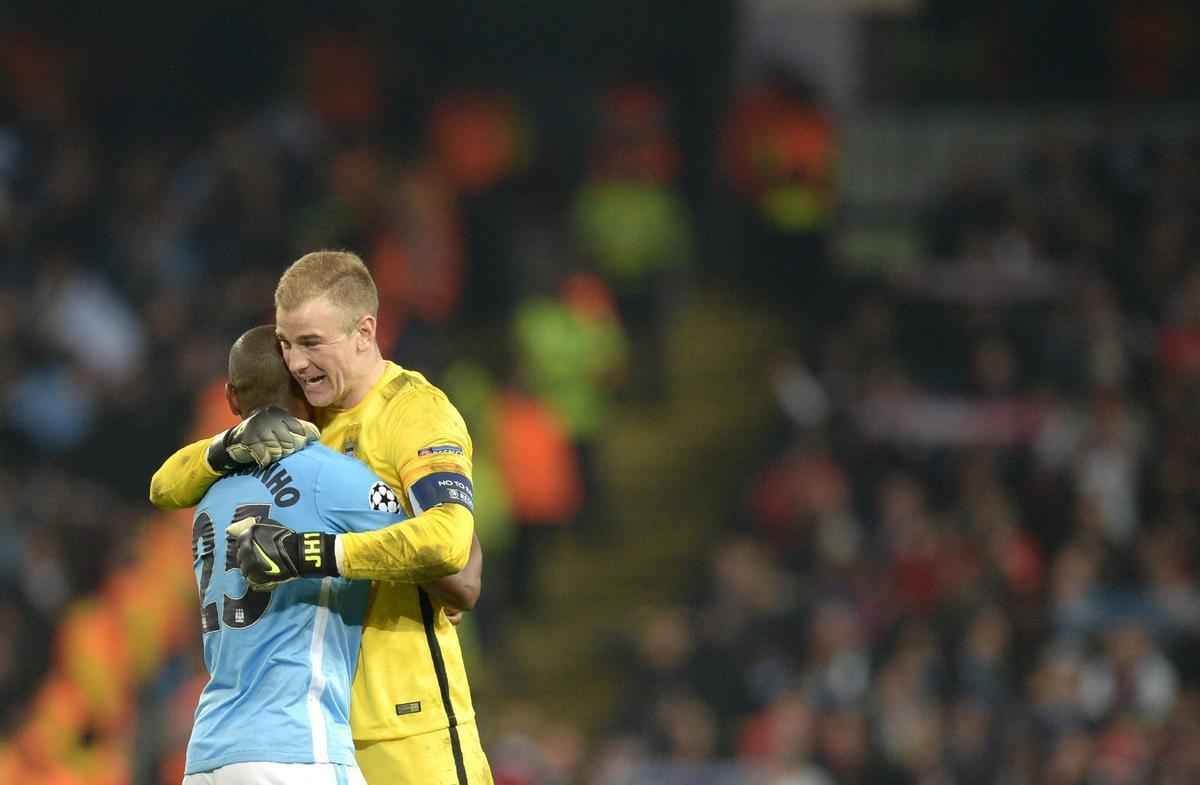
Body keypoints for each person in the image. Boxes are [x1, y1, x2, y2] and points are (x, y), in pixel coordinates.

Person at [150, 250, 493, 785]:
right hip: (317, 736)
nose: (296, 362)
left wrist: (313, 553)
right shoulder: (299, 424)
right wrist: (225, 445)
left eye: (311, 343)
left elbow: (456, 557)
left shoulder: (414, 412)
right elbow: (166, 486)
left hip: (408, 730)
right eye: (286, 343)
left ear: (364, 331)